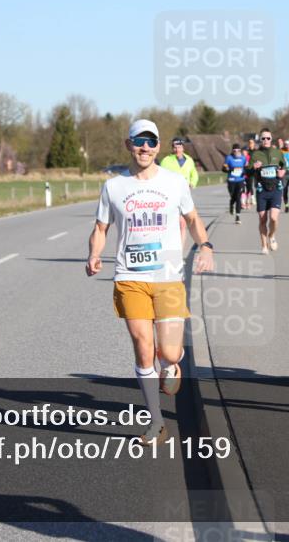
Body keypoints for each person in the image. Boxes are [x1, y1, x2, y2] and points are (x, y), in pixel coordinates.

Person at [86, 119, 215, 445]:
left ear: (158, 147)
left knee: (169, 352)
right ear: (128, 145)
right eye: (138, 141)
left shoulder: (174, 183)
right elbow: (101, 228)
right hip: (130, 278)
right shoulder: (114, 187)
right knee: (144, 348)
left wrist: (206, 245)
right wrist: (94, 254)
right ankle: (156, 422)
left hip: (168, 279)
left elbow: (192, 219)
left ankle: (171, 365)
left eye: (151, 142)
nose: (144, 147)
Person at [249, 128, 287, 253]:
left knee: (274, 218)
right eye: (263, 138)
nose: (265, 140)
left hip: (276, 188)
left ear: (271, 139)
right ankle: (264, 245)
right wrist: (253, 167)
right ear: (260, 140)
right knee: (262, 219)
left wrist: (283, 172)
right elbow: (247, 171)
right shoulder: (255, 154)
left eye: (268, 138)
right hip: (262, 190)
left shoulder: (277, 152)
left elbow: (284, 166)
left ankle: (271, 236)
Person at [160, 137, 199, 249]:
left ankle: (179, 251)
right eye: (175, 147)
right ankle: (168, 246)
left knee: (182, 224)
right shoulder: (166, 160)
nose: (177, 149)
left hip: (184, 196)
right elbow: (160, 177)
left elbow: (194, 173)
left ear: (183, 147)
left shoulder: (189, 160)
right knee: (171, 224)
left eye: (179, 147)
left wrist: (192, 182)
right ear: (172, 148)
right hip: (169, 196)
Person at [223, 143, 248, 224]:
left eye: (238, 150)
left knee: (238, 197)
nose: (236, 152)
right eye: (235, 150)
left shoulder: (243, 158)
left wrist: (244, 171)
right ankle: (231, 205)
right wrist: (228, 169)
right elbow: (224, 168)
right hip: (231, 180)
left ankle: (238, 216)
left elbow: (246, 167)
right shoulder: (229, 158)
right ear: (232, 151)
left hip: (240, 180)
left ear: (240, 151)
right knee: (233, 196)